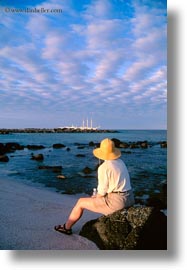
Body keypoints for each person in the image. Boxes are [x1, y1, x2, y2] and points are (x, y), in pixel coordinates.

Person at [54, 138, 135, 235]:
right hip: (130, 197)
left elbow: (102, 191)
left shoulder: (104, 167)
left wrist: (95, 197)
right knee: (94, 199)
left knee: (80, 202)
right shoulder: (121, 162)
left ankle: (66, 228)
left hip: (117, 202)